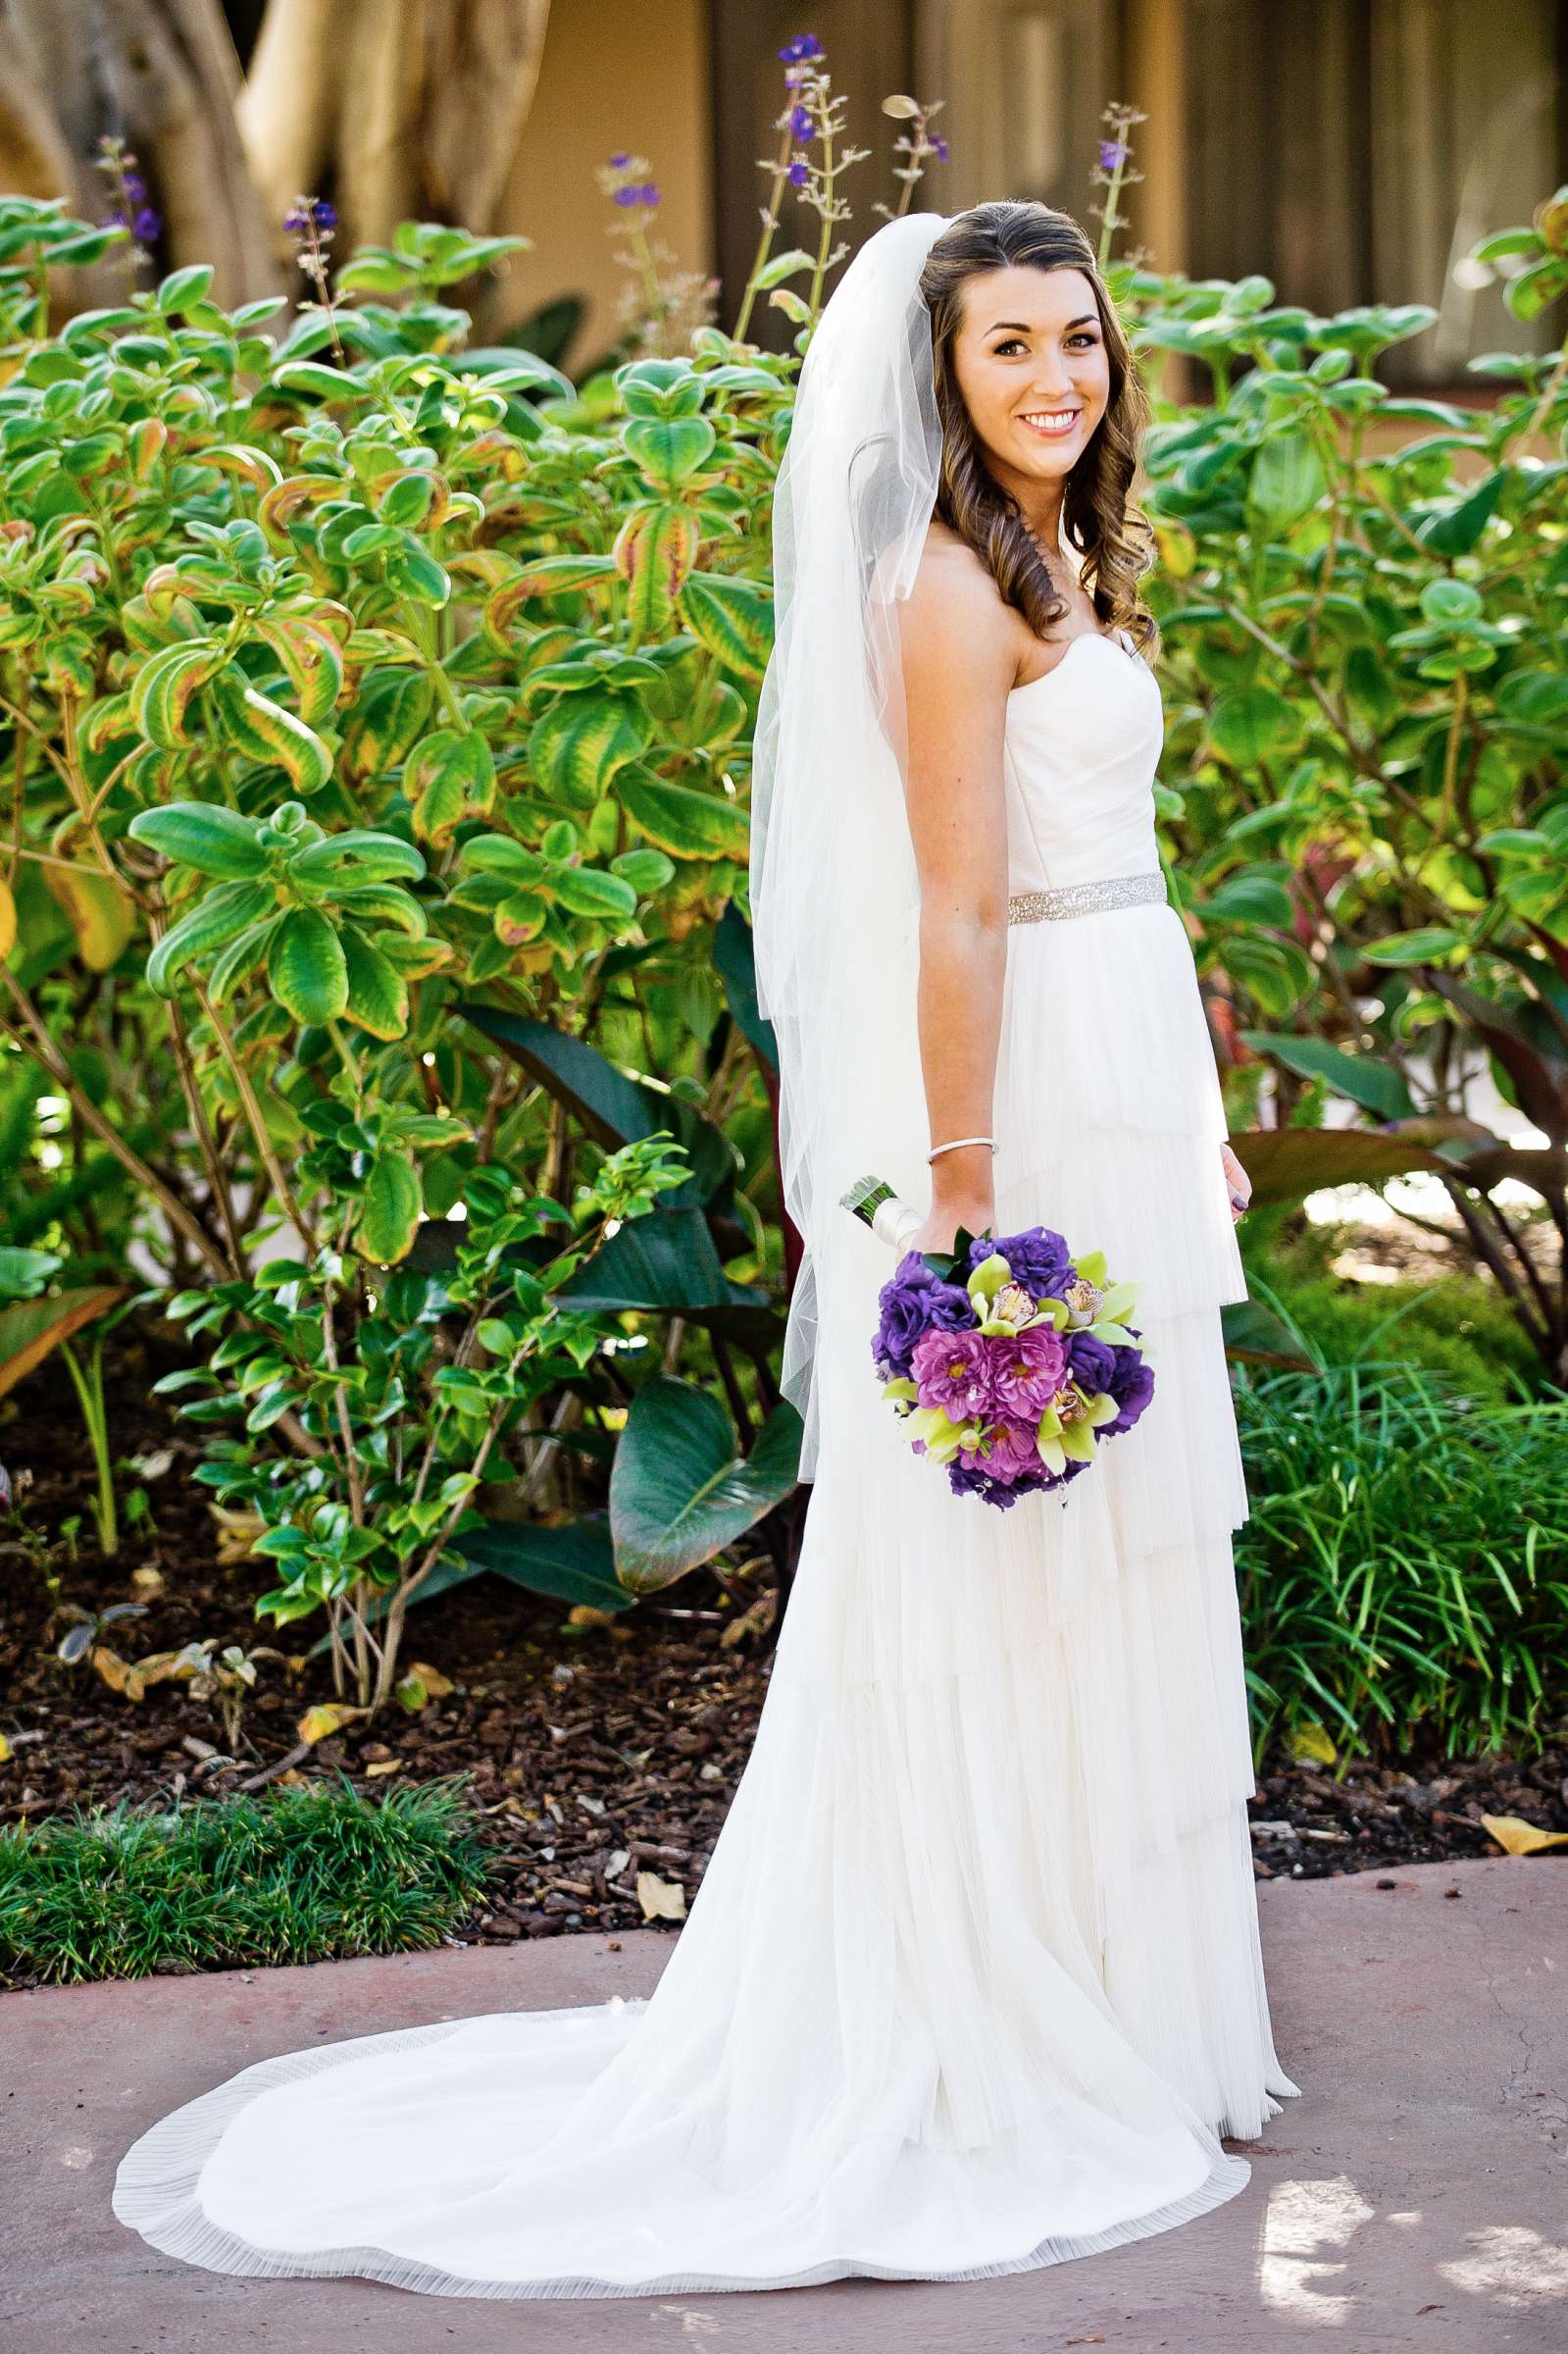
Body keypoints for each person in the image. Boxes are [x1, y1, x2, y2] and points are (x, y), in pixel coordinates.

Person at [113, 201, 1297, 2299]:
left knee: (1107, 1544)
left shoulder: (1066, 555)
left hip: (1113, 1072)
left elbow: (1096, 859)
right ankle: (975, 2007)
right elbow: (944, 907)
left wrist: (1183, 1093)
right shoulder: (936, 588)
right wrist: (953, 1183)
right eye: (1006, 344)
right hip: (1007, 1102)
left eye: (1078, 339)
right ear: (935, 374)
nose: (1051, 375)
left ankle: (1125, 1999)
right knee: (997, 1557)